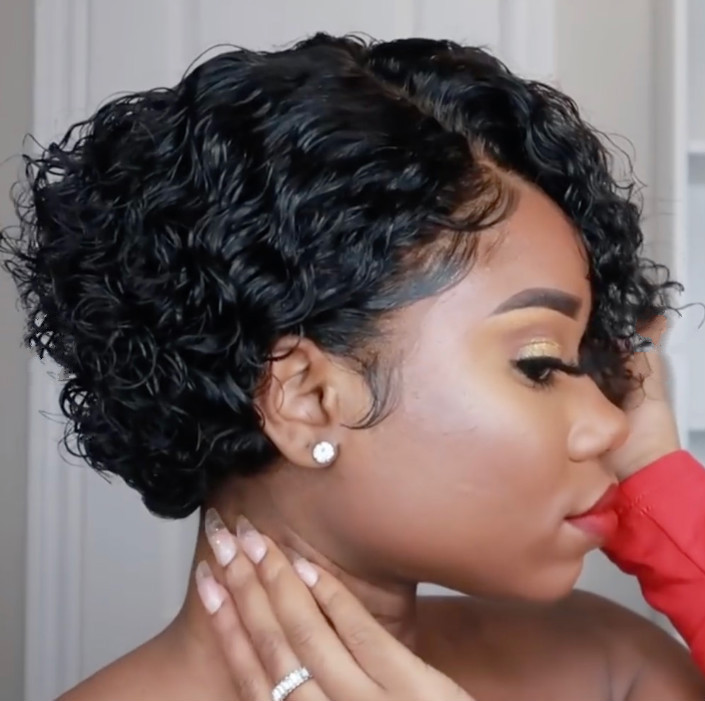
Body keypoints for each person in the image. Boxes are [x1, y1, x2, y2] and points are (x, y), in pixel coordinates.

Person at [2, 33, 703, 701]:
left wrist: (659, 482)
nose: (612, 426)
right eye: (541, 364)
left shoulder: (615, 668)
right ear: (307, 397)